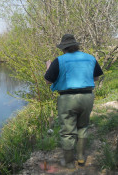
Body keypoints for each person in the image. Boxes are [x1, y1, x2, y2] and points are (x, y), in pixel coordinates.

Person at [44, 34, 103, 169]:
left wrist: (48, 67)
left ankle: (69, 162)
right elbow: (96, 78)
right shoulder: (90, 58)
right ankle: (81, 158)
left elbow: (48, 80)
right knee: (83, 127)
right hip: (87, 97)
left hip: (67, 99)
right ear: (76, 46)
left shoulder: (59, 61)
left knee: (67, 131)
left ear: (63, 48)